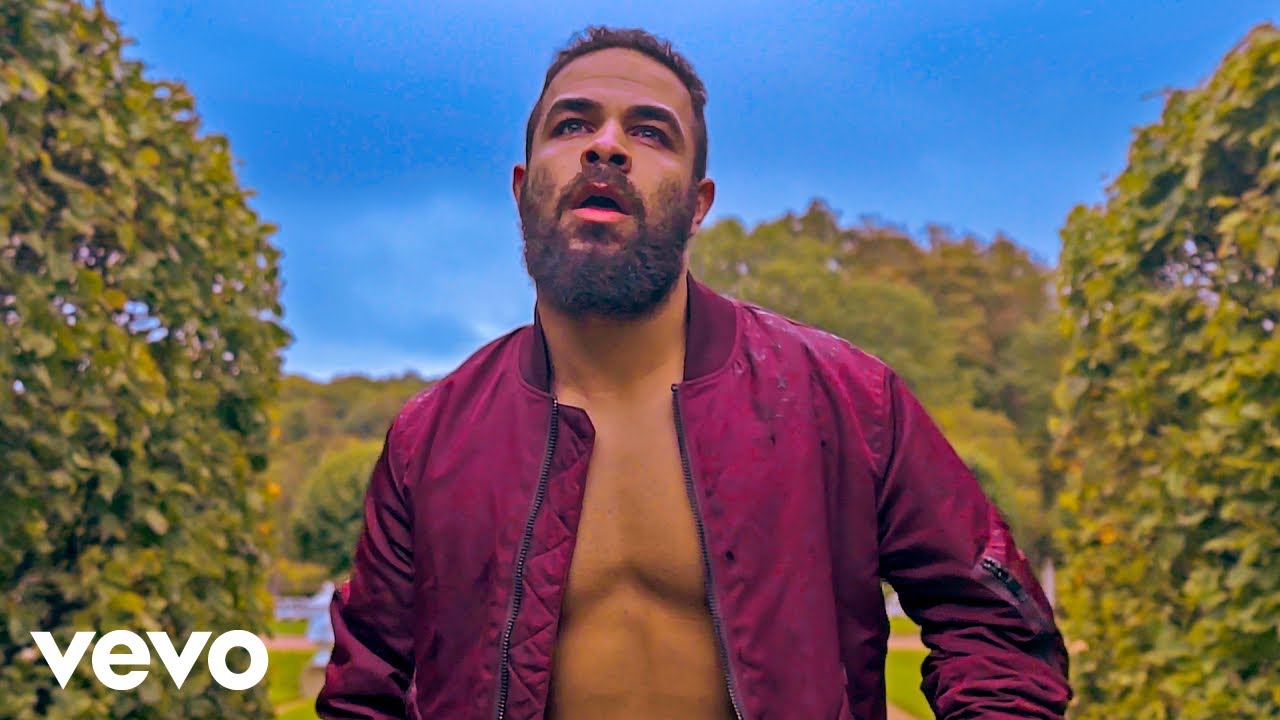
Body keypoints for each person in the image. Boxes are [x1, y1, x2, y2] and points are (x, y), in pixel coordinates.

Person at [316, 26, 1071, 720]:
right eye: (572, 124)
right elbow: (365, 692)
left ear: (699, 203)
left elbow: (998, 630)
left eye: (650, 132)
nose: (606, 147)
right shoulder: (430, 441)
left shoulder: (847, 401)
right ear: (521, 189)